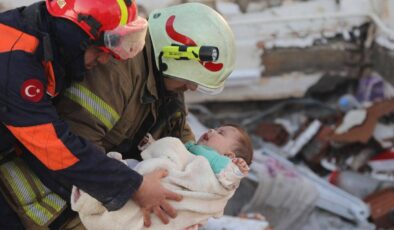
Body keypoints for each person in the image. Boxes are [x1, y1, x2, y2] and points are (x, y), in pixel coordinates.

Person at [0, 1, 183, 229]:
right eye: (99, 50)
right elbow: (53, 146)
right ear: (74, 35)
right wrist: (134, 186)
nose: (104, 60)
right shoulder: (16, 63)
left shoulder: (42, 36)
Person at [71, 124, 253, 230]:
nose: (212, 131)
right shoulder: (190, 149)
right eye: (215, 128)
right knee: (134, 173)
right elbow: (170, 154)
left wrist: (236, 170)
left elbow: (228, 182)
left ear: (229, 156)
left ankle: (100, 196)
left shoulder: (220, 165)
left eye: (220, 133)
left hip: (174, 193)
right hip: (162, 178)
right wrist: (152, 146)